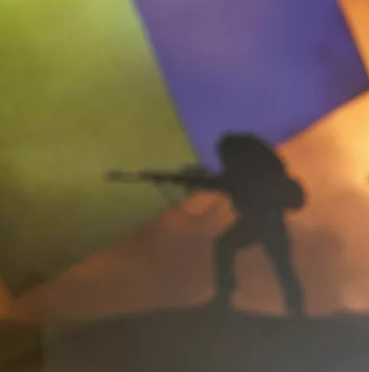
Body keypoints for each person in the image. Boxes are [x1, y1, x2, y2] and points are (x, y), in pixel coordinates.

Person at [109, 133, 306, 317]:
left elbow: (220, 182)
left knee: (227, 247)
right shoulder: (256, 176)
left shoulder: (245, 177)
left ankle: (226, 297)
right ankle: (296, 309)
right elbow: (219, 182)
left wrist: (190, 179)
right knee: (281, 264)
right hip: (270, 223)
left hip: (261, 222)